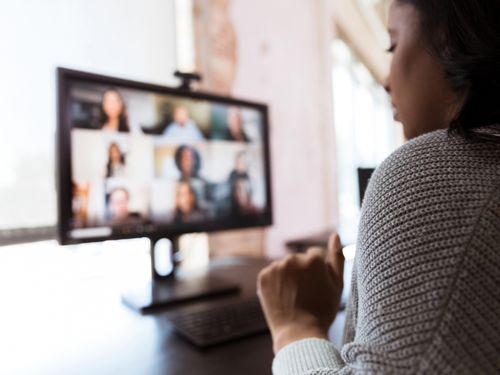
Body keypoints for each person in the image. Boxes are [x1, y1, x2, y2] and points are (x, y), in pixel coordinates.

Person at [257, 1, 500, 374]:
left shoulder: (426, 174)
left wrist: (296, 326)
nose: (386, 80)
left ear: (452, 43)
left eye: (393, 45)